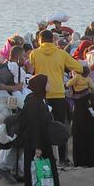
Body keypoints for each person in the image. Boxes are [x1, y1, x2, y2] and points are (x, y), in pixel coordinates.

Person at [29, 29, 83, 167]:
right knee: (60, 126)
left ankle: (44, 156)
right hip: (58, 93)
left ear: (40, 40)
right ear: (52, 40)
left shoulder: (34, 53)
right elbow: (79, 67)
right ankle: (63, 159)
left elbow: (29, 71)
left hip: (41, 95)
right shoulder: (61, 53)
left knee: (41, 126)